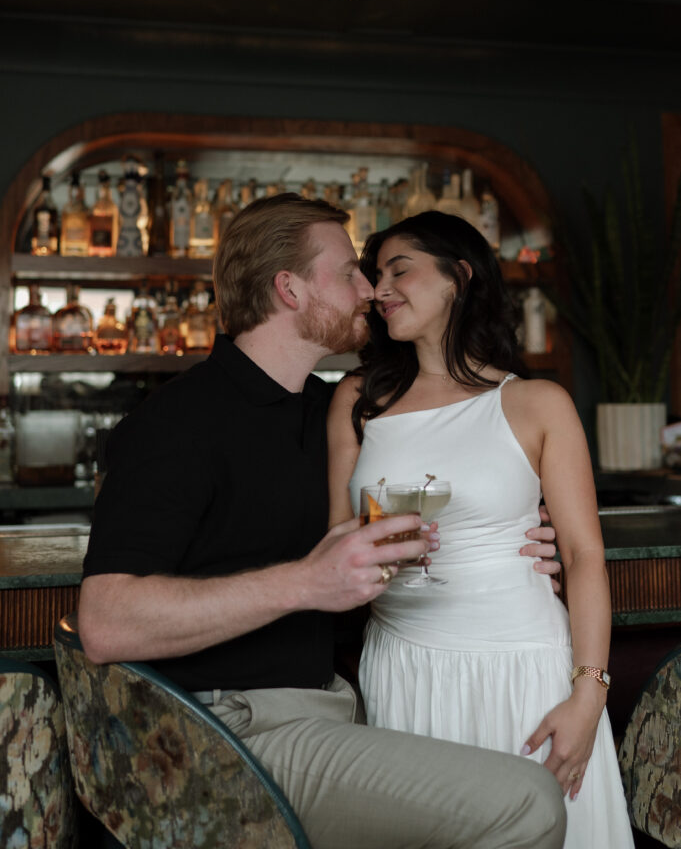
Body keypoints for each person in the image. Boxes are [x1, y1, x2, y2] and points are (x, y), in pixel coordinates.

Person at [78, 193, 567, 849]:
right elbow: (105, 624)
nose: (370, 290)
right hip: (227, 731)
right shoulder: (174, 424)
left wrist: (515, 536)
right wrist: (307, 582)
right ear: (290, 289)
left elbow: (426, 500)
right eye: (349, 273)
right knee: (527, 802)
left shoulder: (338, 411)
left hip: (332, 706)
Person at [327, 210, 634, 849]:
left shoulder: (537, 403)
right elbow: (336, 544)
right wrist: (371, 559)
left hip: (522, 667)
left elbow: (583, 554)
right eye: (375, 275)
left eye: (399, 271)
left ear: (459, 278)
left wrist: (588, 696)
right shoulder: (357, 400)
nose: (379, 289)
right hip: (401, 666)